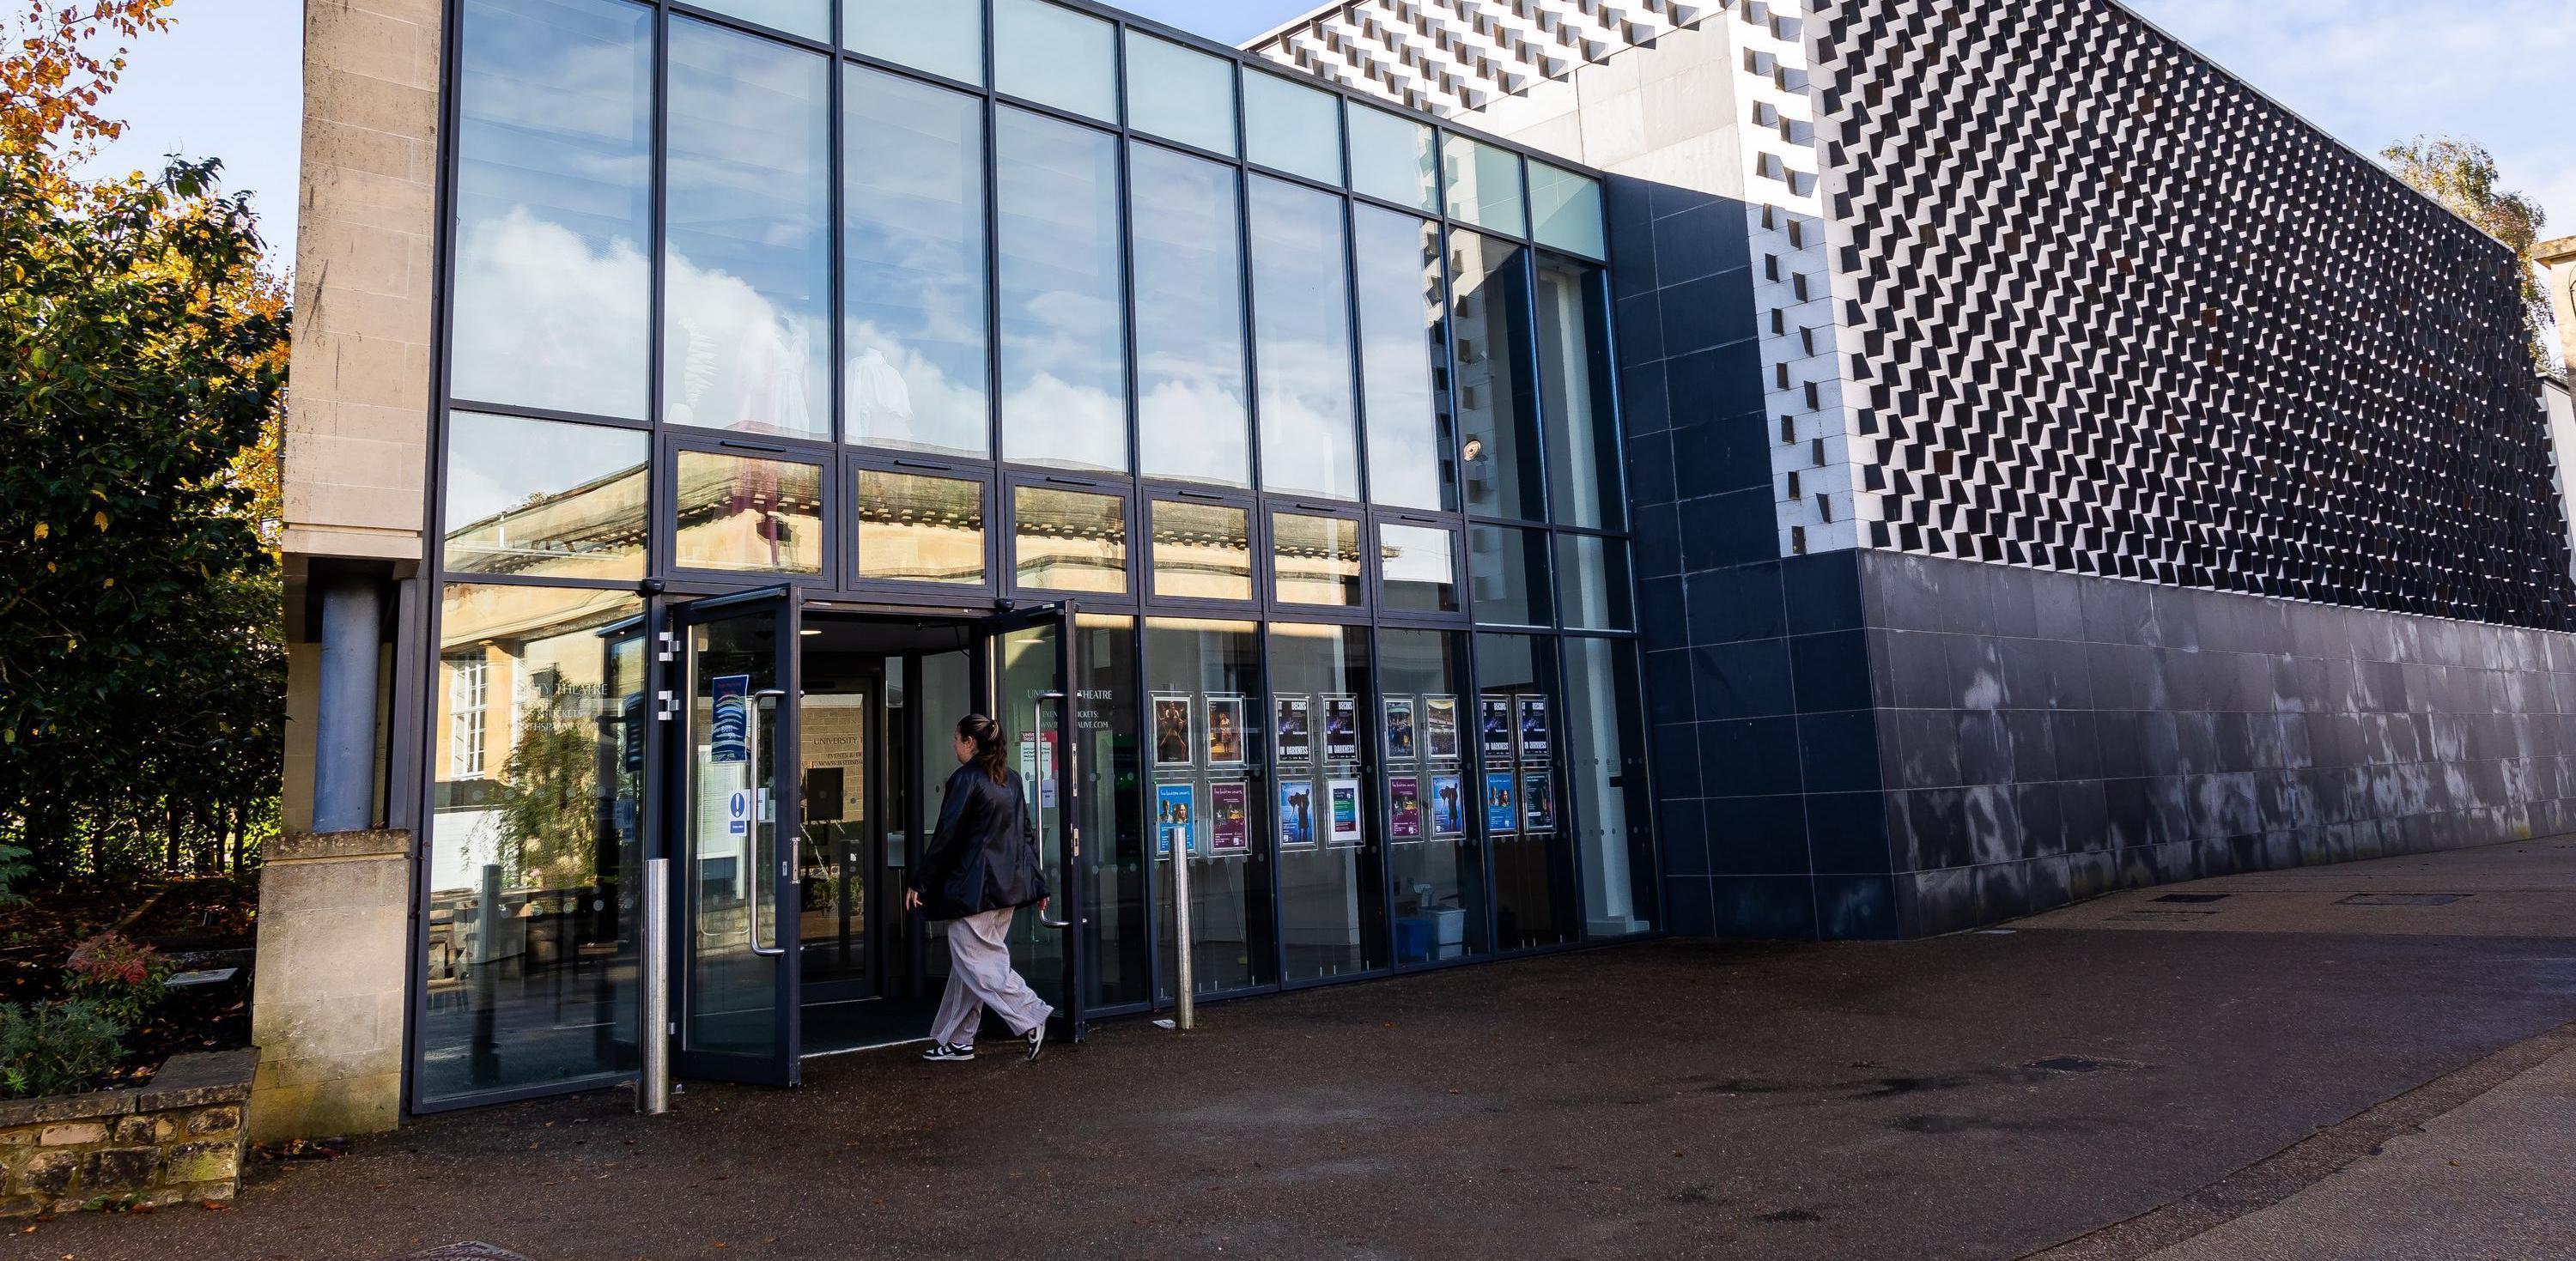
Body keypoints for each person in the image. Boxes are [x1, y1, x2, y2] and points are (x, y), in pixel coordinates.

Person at [907, 714, 1054, 1063]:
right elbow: (1026, 836)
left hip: (974, 891)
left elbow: (946, 836)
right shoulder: (1011, 779)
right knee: (968, 968)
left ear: (970, 743)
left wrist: (920, 881)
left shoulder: (966, 779)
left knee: (978, 962)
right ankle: (958, 1040)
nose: (954, 746)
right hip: (1007, 890)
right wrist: (1038, 883)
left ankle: (1031, 1015)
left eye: (956, 739)